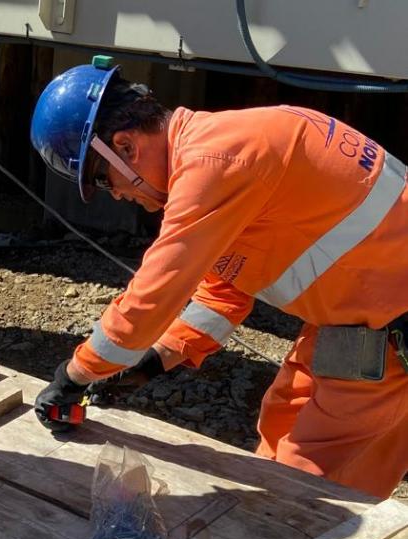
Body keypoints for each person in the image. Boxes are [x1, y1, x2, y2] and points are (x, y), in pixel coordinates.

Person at [30, 55, 408, 499]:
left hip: (388, 330)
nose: (116, 194)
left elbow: (153, 295)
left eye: (103, 178)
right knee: (282, 418)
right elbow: (223, 291)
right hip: (361, 319)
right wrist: (154, 361)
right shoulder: (223, 148)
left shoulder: (215, 161)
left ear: (125, 146)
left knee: (307, 482)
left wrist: (73, 375)